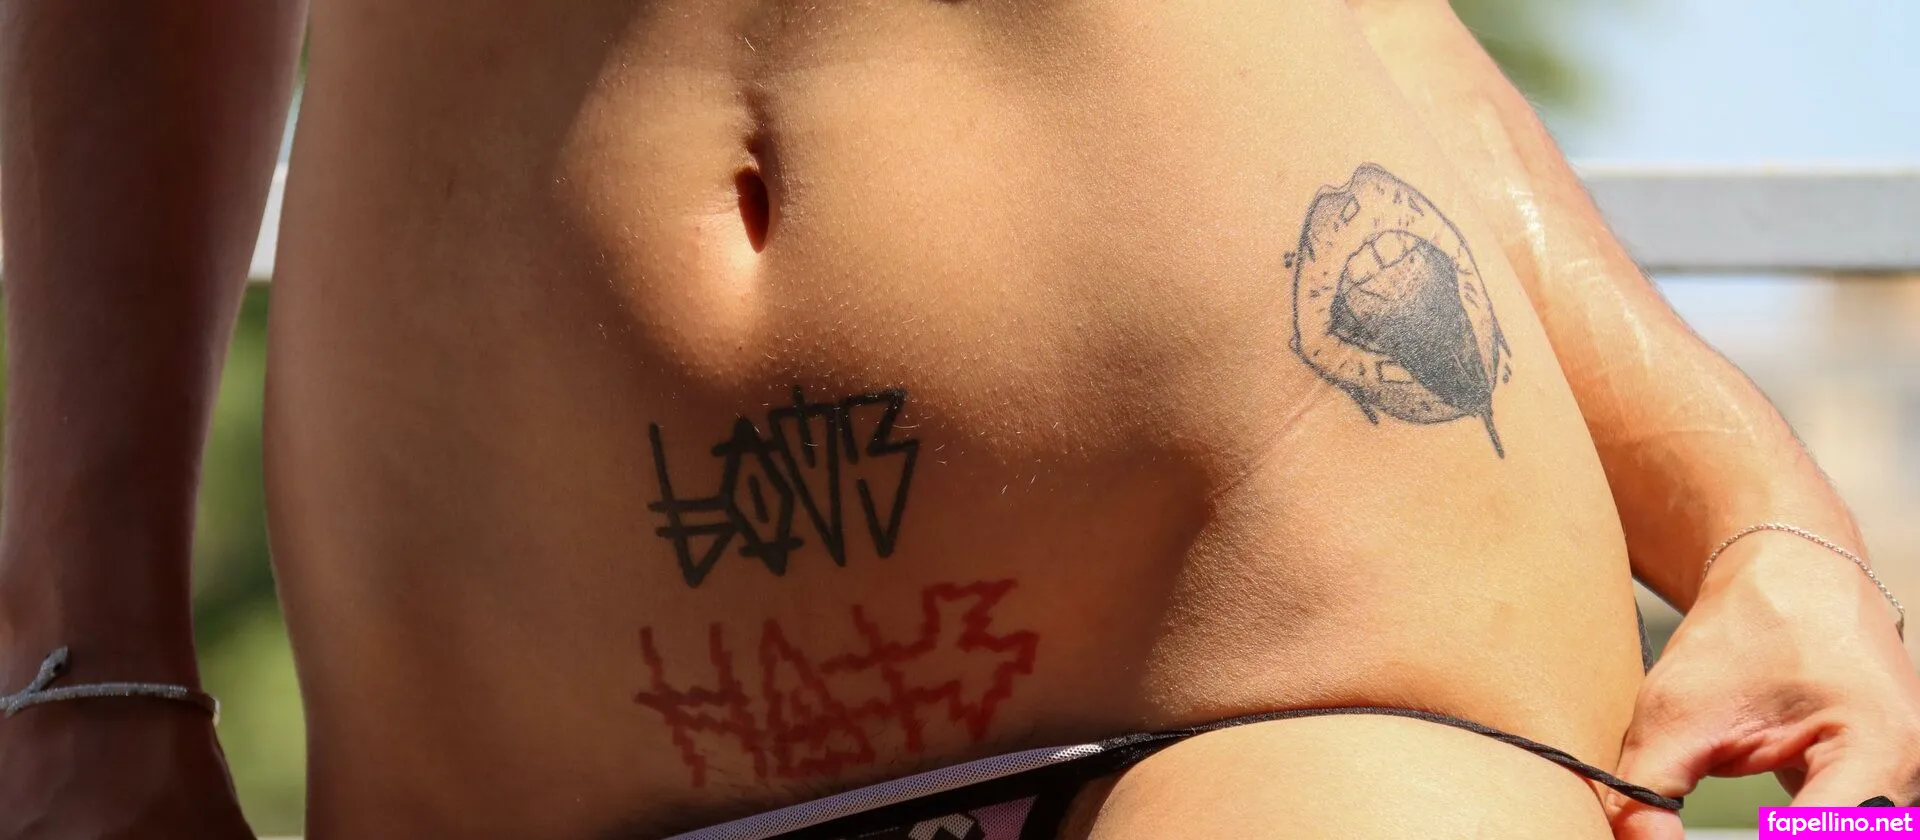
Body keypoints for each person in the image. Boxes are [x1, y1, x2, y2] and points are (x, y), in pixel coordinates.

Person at [1, 0, 1915, 837]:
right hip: (512, 758)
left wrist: (1765, 516)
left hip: (1288, 650)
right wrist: (86, 675)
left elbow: (1369, 28)